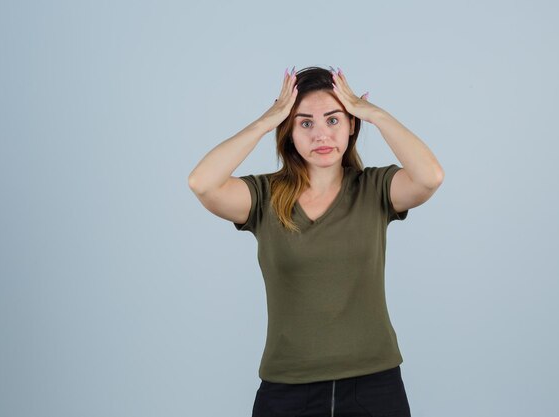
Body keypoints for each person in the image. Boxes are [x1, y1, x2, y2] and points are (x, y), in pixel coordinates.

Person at [188, 66, 444, 417]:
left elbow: (430, 177)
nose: (321, 134)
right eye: (305, 123)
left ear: (351, 124)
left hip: (374, 386)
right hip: (287, 389)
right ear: (289, 131)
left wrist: (374, 113)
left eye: (333, 120)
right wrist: (267, 119)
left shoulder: (374, 189)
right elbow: (202, 183)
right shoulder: (264, 196)